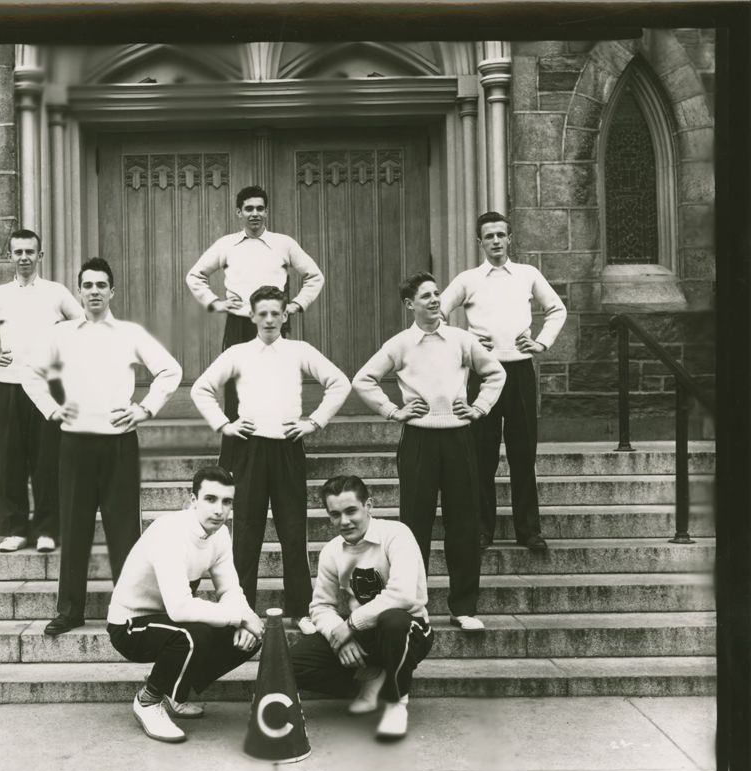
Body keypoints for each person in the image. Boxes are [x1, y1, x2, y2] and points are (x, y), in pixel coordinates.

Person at [21, 257, 183, 636]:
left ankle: (131, 610)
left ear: (113, 291)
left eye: (101, 285)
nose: (94, 291)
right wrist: (51, 408)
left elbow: (170, 370)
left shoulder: (128, 333)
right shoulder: (62, 334)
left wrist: (144, 409)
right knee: (75, 527)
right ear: (79, 291)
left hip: (118, 445)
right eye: (88, 285)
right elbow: (30, 372)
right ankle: (69, 611)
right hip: (75, 444)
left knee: (124, 530)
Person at [191, 285, 351, 636]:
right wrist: (225, 424)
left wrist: (313, 421)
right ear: (251, 316)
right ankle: (241, 610)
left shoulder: (299, 350)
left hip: (287, 448)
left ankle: (299, 609)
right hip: (249, 450)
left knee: (293, 531)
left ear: (284, 315)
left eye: (274, 313)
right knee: (246, 534)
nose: (268, 319)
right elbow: (200, 387)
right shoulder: (238, 352)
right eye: (261, 313)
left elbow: (339, 383)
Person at [353, 273, 505, 631]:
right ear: (410, 305)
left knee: (464, 525)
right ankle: (414, 605)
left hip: (459, 440)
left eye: (437, 294)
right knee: (413, 528)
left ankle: (463, 607)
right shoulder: (401, 343)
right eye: (426, 296)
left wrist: (480, 407)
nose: (436, 300)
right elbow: (363, 379)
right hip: (419, 442)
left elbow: (495, 372)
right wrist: (394, 412)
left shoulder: (461, 339)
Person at [106, 465, 265, 743]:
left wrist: (244, 616)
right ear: (193, 501)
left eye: (227, 502)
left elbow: (230, 589)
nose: (219, 510)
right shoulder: (170, 532)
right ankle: (148, 700)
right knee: (193, 635)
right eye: (211, 499)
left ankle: (173, 694)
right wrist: (238, 616)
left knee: (250, 636)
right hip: (130, 626)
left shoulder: (220, 535)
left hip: (168, 621)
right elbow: (180, 608)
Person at [440, 212, 567, 553]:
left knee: (523, 454)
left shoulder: (527, 274)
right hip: (483, 376)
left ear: (510, 239)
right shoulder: (468, 279)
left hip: (520, 372)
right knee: (481, 456)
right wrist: (464, 344)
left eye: (500, 235)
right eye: (488, 236)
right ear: (478, 242)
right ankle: (482, 530)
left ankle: (529, 531)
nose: (495, 241)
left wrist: (541, 343)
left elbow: (557, 309)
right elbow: (436, 313)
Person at [0, 229, 84, 553]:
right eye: (18, 252)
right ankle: (15, 529)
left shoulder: (56, 293)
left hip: (46, 388)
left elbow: (83, 325)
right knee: (12, 459)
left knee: (47, 460)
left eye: (31, 252)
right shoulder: (0, 295)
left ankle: (46, 529)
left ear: (40, 256)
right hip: (10, 385)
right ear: (10, 257)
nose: (25, 258)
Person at [185, 185, 325, 467]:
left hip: (273, 326)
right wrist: (216, 302)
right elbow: (195, 275)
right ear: (239, 213)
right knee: (237, 394)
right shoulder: (226, 244)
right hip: (239, 326)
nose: (255, 214)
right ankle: (233, 463)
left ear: (267, 211)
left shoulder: (283, 243)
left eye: (260, 208)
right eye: (249, 209)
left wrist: (296, 304)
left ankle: (282, 456)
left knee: (277, 388)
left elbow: (314, 276)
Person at [290, 475, 433, 741]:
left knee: (394, 622)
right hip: (362, 633)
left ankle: (395, 702)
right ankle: (370, 677)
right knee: (291, 665)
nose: (344, 521)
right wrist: (339, 638)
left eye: (351, 510)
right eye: (335, 514)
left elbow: (402, 595)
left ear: (369, 505)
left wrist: (350, 625)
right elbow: (320, 606)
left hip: (409, 627)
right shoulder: (332, 551)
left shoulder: (397, 534)